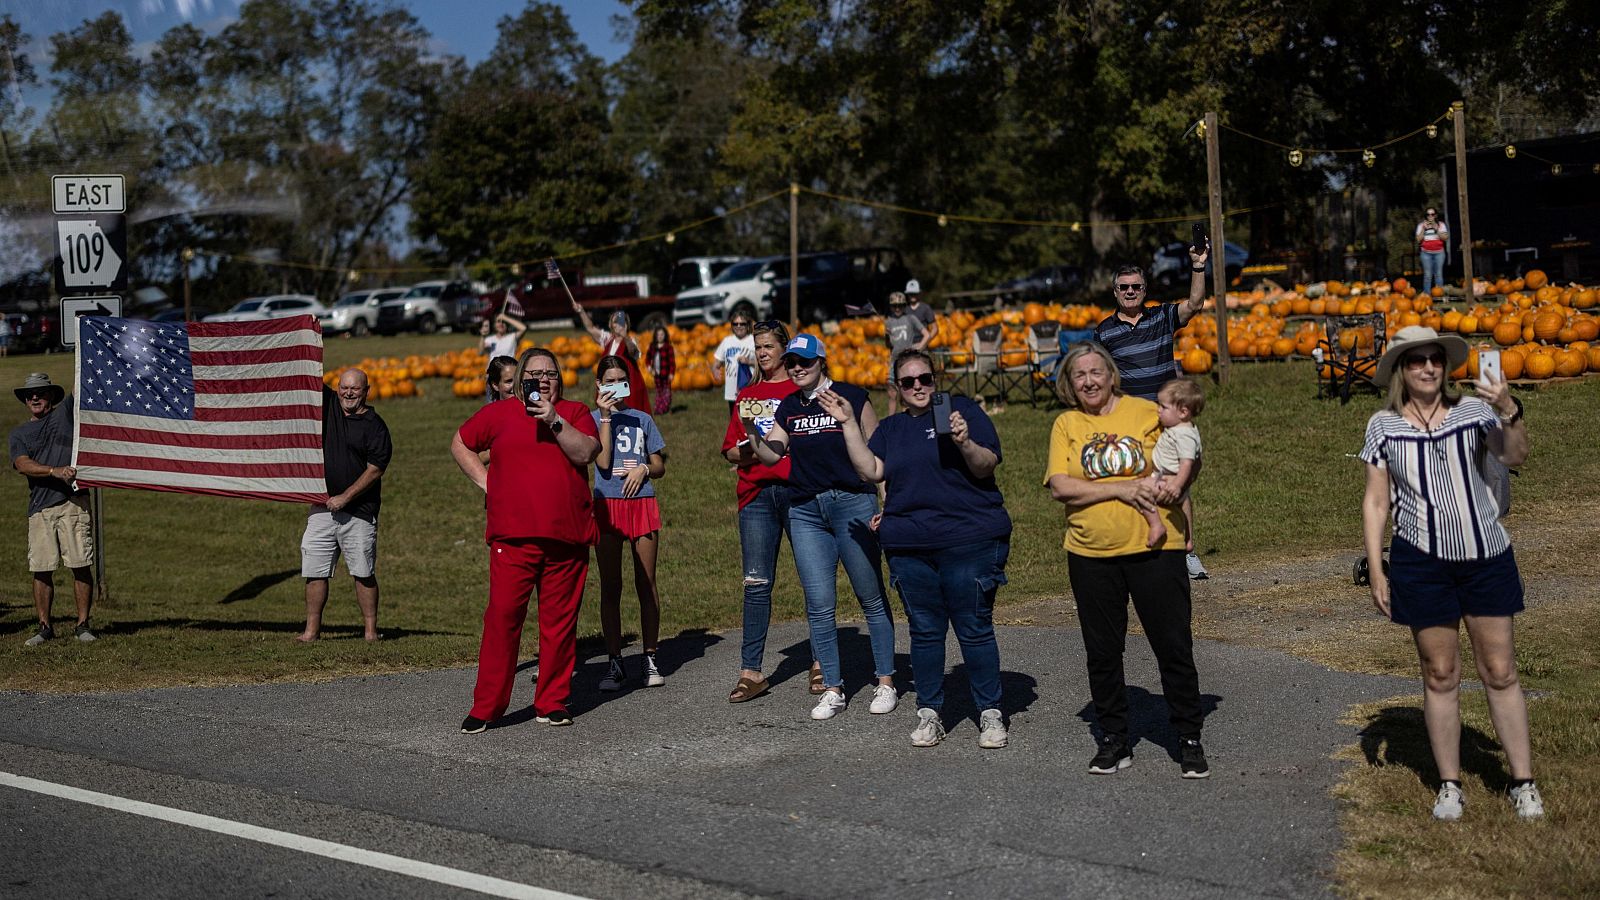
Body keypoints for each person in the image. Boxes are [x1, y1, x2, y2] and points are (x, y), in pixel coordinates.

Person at [1359, 326, 1542, 820]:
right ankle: (1450, 785)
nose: (1427, 367)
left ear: (1445, 365)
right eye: (1416, 360)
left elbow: (1515, 455)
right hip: (1421, 562)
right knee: (1440, 674)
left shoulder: (1474, 412)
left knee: (1500, 671)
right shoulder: (1383, 426)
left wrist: (1510, 409)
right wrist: (1377, 569)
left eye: (1435, 359)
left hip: (1485, 555)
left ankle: (1523, 783)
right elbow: (1377, 501)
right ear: (1402, 369)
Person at [826, 348, 1012, 749]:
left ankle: (990, 713)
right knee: (925, 631)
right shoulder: (891, 430)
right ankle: (929, 713)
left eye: (924, 379)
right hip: (909, 544)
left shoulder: (959, 411)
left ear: (935, 378)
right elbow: (870, 470)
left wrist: (963, 442)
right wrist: (848, 425)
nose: (918, 387)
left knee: (973, 627)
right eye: (908, 382)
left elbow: (985, 465)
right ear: (897, 386)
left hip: (969, 537)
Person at [1044, 342, 1208, 778]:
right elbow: (1060, 485)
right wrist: (1118, 489)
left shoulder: (1146, 412)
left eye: (1097, 372)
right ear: (1070, 384)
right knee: (1102, 651)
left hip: (1156, 550)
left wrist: (1180, 487)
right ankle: (1114, 738)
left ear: (1112, 375)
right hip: (1091, 553)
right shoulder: (1067, 424)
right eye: (1080, 376)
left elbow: (1185, 453)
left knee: (1173, 645)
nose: (1089, 381)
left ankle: (1189, 736)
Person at [741, 333, 898, 720]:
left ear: (821, 362)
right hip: (806, 510)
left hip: (852, 503)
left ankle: (885, 682)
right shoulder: (788, 406)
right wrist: (752, 435)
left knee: (870, 594)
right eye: (792, 362)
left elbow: (880, 454)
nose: (797, 368)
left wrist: (886, 500)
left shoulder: (852, 396)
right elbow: (774, 454)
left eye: (805, 362)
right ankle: (832, 687)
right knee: (818, 603)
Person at [451, 348, 600, 732]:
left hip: (566, 538)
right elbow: (461, 443)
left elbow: (586, 452)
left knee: (560, 625)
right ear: (520, 381)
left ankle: (551, 701)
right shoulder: (500, 413)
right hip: (513, 538)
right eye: (534, 374)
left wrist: (554, 420)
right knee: (502, 619)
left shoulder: (576, 412)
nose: (543, 379)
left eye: (550, 373)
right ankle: (487, 706)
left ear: (560, 379)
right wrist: (488, 483)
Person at [1095, 255, 1211, 580]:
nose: (1130, 292)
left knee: (1178, 483)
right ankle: (1141, 548)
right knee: (1136, 482)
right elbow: (1103, 378)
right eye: (1124, 287)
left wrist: (1198, 266)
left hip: (1167, 419)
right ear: (1114, 291)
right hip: (1130, 421)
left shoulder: (1162, 316)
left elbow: (1196, 303)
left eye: (1136, 287)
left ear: (1144, 289)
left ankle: (1187, 550)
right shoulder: (1104, 332)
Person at [721, 320, 820, 703]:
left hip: (798, 492)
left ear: (785, 349)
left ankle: (820, 662)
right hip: (756, 496)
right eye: (757, 347)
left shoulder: (801, 390)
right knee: (756, 584)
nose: (761, 353)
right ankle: (751, 671)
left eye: (768, 346)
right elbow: (730, 450)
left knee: (813, 579)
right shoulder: (748, 394)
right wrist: (754, 445)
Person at [591, 355, 668, 691]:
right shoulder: (591, 419)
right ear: (598, 385)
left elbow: (659, 464)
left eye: (621, 379)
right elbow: (604, 461)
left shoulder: (643, 419)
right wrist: (606, 416)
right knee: (611, 585)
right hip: (607, 504)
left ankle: (650, 657)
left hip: (642, 503)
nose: (616, 385)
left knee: (646, 582)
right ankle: (615, 661)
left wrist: (644, 469)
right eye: (609, 380)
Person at [298, 368, 393, 643]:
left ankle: (370, 631)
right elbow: (309, 375)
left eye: (355, 389)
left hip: (359, 512)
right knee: (314, 571)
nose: (348, 393)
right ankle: (311, 631)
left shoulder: (375, 425)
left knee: (363, 572)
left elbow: (375, 469)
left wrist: (346, 497)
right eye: (344, 388)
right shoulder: (331, 408)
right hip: (322, 507)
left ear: (366, 391)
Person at [10, 373, 95, 645]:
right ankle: (44, 627)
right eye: (29, 394)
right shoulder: (19, 433)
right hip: (40, 507)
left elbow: (80, 384)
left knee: (80, 563)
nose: (34, 397)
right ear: (25, 401)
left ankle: (82, 625)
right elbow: (22, 464)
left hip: (73, 501)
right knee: (42, 568)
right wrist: (53, 471)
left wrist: (84, 335)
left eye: (41, 393)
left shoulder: (65, 414)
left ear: (51, 397)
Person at [1139, 378, 1205, 549]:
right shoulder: (1182, 428)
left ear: (1183, 412)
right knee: (1182, 506)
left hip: (1169, 480)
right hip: (1172, 479)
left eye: (1163, 407)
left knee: (1140, 489)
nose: (1158, 411)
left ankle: (1156, 525)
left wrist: (1177, 485)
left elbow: (1186, 463)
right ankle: (1188, 541)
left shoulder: (1184, 435)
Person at [572, 300, 651, 413]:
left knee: (630, 412)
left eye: (621, 322)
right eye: (615, 322)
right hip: (611, 382)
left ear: (627, 325)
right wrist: (581, 311)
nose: (618, 325)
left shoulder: (631, 340)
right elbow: (591, 328)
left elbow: (633, 351)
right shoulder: (608, 339)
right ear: (610, 324)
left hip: (628, 384)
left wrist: (625, 336)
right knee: (609, 410)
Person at [883, 292, 935, 414]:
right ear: (890, 307)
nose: (897, 308)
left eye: (900, 306)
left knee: (908, 389)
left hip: (907, 361)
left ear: (904, 306)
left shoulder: (910, 319)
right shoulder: (888, 322)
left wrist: (918, 349)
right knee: (891, 392)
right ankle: (891, 419)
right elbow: (889, 345)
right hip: (894, 360)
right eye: (894, 306)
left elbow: (926, 335)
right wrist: (886, 336)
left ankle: (912, 414)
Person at [711, 315, 756, 414]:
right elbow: (717, 360)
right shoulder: (727, 341)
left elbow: (763, 363)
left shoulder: (753, 341)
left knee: (749, 418)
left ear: (748, 325)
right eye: (735, 324)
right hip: (731, 389)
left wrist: (749, 362)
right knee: (734, 418)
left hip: (749, 387)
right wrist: (715, 370)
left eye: (742, 324)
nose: (738, 326)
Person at [481, 312, 527, 400]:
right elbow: (480, 352)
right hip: (493, 374)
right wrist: (483, 337)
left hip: (509, 374)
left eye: (504, 322)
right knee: (493, 403)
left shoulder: (512, 337)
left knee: (511, 400)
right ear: (494, 325)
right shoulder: (490, 339)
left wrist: (505, 317)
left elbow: (523, 328)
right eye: (498, 321)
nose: (501, 324)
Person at [1415, 207, 1449, 295]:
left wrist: (1436, 229)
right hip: (1426, 253)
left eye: (1432, 214)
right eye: (1428, 214)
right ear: (1426, 216)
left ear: (1436, 215)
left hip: (1439, 253)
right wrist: (1423, 229)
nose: (1430, 216)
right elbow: (1418, 240)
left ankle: (1439, 294)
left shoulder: (1441, 225)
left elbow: (1445, 238)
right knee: (1427, 275)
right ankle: (1427, 294)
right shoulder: (1421, 225)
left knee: (1438, 274)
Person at [645, 324, 675, 416]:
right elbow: (648, 358)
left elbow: (672, 362)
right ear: (655, 336)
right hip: (656, 374)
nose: (660, 337)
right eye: (658, 335)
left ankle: (665, 406)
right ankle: (659, 408)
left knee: (666, 391)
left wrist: (671, 373)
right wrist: (649, 367)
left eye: (662, 334)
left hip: (665, 374)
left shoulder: (668, 347)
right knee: (659, 391)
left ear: (665, 335)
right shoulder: (652, 346)